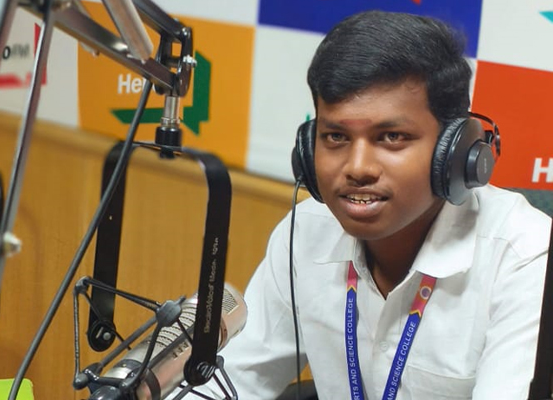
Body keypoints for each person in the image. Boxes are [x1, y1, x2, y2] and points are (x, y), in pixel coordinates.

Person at [204, 10, 552, 400]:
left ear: (455, 153)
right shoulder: (306, 231)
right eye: (336, 137)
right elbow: (232, 382)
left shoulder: (524, 259)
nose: (357, 168)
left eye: (391, 137)